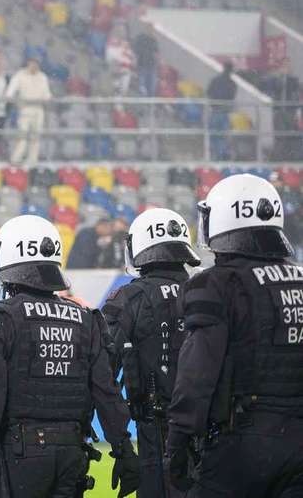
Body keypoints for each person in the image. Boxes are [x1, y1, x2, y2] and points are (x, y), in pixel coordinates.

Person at [0, 215, 139, 498]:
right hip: (72, 453)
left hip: (19, 452)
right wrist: (123, 449)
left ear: (13, 257)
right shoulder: (86, 319)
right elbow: (106, 392)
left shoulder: (0, 316)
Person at [166, 174, 303, 495]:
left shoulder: (216, 284)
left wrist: (180, 437)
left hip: (243, 440)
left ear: (224, 219)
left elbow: (197, 371)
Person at [102, 208, 200, 498]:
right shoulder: (207, 289)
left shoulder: (130, 297)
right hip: (213, 430)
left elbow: (103, 367)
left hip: (157, 430)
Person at [6, 57, 53, 164]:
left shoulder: (42, 77)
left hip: (38, 110)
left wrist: (48, 99)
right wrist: (17, 102)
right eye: (32, 63)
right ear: (28, 63)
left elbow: (47, 94)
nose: (34, 65)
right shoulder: (20, 75)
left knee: (36, 138)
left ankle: (32, 161)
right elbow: (10, 93)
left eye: (36, 63)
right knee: (22, 137)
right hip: (25, 110)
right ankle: (15, 160)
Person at [132, 30, 159, 98]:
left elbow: (156, 52)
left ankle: (149, 102)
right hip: (143, 65)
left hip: (151, 66)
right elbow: (136, 51)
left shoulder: (153, 40)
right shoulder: (141, 39)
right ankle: (145, 100)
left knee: (151, 87)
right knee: (143, 86)